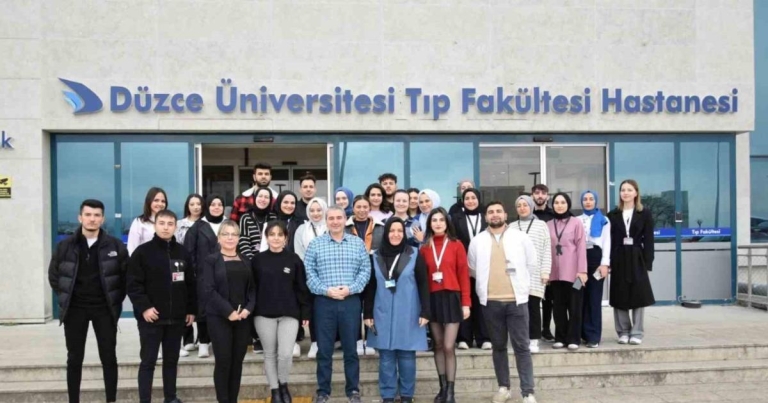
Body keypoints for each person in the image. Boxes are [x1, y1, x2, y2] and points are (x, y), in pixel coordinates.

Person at [48, 199, 128, 403]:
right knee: (74, 358)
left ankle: (111, 400)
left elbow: (124, 278)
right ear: (80, 217)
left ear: (102, 219)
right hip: (75, 309)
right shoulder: (65, 246)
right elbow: (54, 276)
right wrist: (67, 297)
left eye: (97, 215)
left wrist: (114, 301)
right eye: (88, 215)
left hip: (104, 309)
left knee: (108, 357)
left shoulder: (115, 245)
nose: (92, 219)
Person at [468, 201, 538, 403]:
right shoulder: (477, 241)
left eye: (499, 211)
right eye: (491, 212)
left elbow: (531, 264)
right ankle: (503, 388)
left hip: (516, 301)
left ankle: (528, 392)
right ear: (486, 217)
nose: (495, 214)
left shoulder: (520, 237)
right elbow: (473, 268)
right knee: (498, 347)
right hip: (491, 302)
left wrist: (521, 286)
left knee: (522, 347)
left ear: (506, 215)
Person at [127, 210, 196, 403]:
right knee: (148, 362)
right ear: (155, 226)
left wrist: (191, 309)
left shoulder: (182, 252)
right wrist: (145, 307)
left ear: (175, 226)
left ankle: (170, 397)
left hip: (176, 318)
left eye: (170, 224)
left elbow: (190, 283)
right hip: (151, 318)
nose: (166, 227)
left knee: (171, 361)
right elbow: (133, 285)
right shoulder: (142, 253)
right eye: (162, 223)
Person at [304, 206, 371, 403]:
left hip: (350, 301)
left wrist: (350, 289)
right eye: (331, 218)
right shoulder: (315, 244)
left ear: (345, 220)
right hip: (324, 302)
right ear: (326, 221)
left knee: (351, 350)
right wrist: (326, 290)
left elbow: (365, 271)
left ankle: (353, 391)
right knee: (324, 350)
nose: (335, 222)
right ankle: (323, 391)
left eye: (338, 218)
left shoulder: (357, 243)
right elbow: (309, 273)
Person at [364, 218, 430, 403]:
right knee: (386, 356)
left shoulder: (414, 254)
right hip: (382, 311)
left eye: (399, 231)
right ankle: (388, 396)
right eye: (392, 231)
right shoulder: (375, 256)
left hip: (408, 311)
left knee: (407, 355)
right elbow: (370, 287)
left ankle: (407, 395)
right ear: (386, 233)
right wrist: (367, 313)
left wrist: (426, 311)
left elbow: (423, 284)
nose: (396, 234)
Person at [252, 221, 311, 403]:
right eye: (272, 234)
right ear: (266, 237)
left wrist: (305, 312)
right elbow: (252, 289)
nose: (276, 238)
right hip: (263, 314)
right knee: (270, 354)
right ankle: (275, 391)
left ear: (286, 238)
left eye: (280, 234)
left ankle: (283, 383)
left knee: (285, 354)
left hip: (289, 314)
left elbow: (302, 288)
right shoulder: (257, 260)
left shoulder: (294, 259)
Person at [201, 220, 256, 403]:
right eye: (226, 234)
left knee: (237, 362)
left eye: (234, 234)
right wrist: (228, 311)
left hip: (242, 319)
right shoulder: (211, 260)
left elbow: (252, 290)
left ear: (239, 238)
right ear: (219, 238)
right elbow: (208, 290)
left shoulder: (246, 260)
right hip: (219, 317)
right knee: (223, 361)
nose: (230, 238)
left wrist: (248, 309)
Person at [421, 207, 470, 403]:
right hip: (433, 299)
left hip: (452, 297)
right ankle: (442, 389)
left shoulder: (457, 245)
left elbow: (464, 275)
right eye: (434, 220)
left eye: (441, 220)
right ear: (430, 224)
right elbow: (422, 279)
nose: (438, 223)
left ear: (447, 223)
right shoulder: (425, 247)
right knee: (438, 345)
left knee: (449, 346)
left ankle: (450, 392)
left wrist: (466, 303)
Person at [607, 179, 655, 345]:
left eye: (629, 190)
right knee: (619, 294)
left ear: (636, 193)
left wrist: (648, 262)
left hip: (637, 257)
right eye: (623, 190)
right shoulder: (612, 215)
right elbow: (610, 240)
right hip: (619, 256)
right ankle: (623, 331)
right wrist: (609, 261)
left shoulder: (644, 213)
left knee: (638, 295)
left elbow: (649, 240)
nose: (625, 193)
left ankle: (637, 332)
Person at [183, 195, 226, 358]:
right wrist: (194, 274)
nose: (216, 207)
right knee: (203, 311)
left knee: (223, 308)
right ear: (207, 207)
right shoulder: (198, 227)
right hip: (203, 276)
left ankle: (219, 341)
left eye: (220, 204)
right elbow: (189, 253)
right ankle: (203, 342)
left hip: (225, 274)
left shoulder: (229, 224)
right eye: (213, 204)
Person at [510, 195, 552, 354]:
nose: (522, 208)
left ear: (531, 206)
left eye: (525, 205)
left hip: (535, 274)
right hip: (516, 274)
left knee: (533, 307)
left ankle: (534, 339)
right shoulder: (512, 227)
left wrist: (545, 272)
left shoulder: (541, 225)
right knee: (518, 309)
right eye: (519, 205)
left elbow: (546, 250)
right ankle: (521, 338)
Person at [547, 193, 587, 350]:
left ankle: (573, 338)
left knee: (575, 306)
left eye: (563, 202)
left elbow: (581, 247)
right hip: (555, 274)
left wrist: (582, 271)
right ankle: (560, 337)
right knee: (558, 306)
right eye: (556, 202)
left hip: (575, 275)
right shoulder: (548, 224)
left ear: (568, 204)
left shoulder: (576, 223)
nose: (559, 205)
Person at [344, 195, 384, 356]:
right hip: (351, 271)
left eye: (365, 207)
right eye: (358, 207)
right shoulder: (345, 227)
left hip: (374, 270)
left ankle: (370, 339)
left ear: (369, 208)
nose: (362, 210)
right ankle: (357, 340)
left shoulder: (380, 226)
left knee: (371, 305)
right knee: (354, 307)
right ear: (353, 208)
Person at [451, 188, 490, 351]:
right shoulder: (456, 218)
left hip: (483, 266)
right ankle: (464, 337)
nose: (470, 201)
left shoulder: (486, 217)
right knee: (464, 300)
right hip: (463, 266)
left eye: (473, 198)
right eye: (467, 198)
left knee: (482, 300)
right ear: (463, 201)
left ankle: (484, 338)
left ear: (478, 199)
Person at [294, 197, 329, 359]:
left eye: (319, 210)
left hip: (329, 274)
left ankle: (328, 341)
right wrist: (309, 272)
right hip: (308, 275)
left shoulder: (330, 226)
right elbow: (299, 252)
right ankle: (315, 342)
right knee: (313, 309)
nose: (316, 213)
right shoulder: (302, 229)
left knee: (327, 310)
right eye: (312, 210)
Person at [578, 190, 611, 348]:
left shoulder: (604, 220)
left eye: (591, 199)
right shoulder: (576, 220)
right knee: (578, 295)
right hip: (579, 261)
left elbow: (607, 242)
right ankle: (581, 333)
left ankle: (593, 336)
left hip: (596, 260)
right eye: (585, 199)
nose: (588, 201)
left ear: (596, 201)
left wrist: (605, 263)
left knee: (594, 298)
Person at [531, 183, 555, 342]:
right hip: (531, 263)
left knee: (548, 299)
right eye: (537, 193)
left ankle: (546, 329)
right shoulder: (527, 213)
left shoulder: (553, 215)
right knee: (532, 300)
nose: (540, 196)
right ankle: (532, 330)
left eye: (543, 193)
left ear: (547, 196)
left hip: (548, 260)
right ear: (532, 195)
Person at [237, 187, 277, 259]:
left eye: (266, 197)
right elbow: (244, 243)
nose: (263, 199)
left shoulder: (273, 217)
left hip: (271, 259)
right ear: (255, 198)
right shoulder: (245, 218)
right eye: (260, 196)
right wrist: (252, 261)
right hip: (251, 260)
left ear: (270, 200)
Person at [127, 187, 168, 255]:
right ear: (149, 201)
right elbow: (132, 248)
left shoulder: (169, 223)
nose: (160, 204)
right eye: (156, 200)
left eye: (163, 201)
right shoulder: (139, 222)